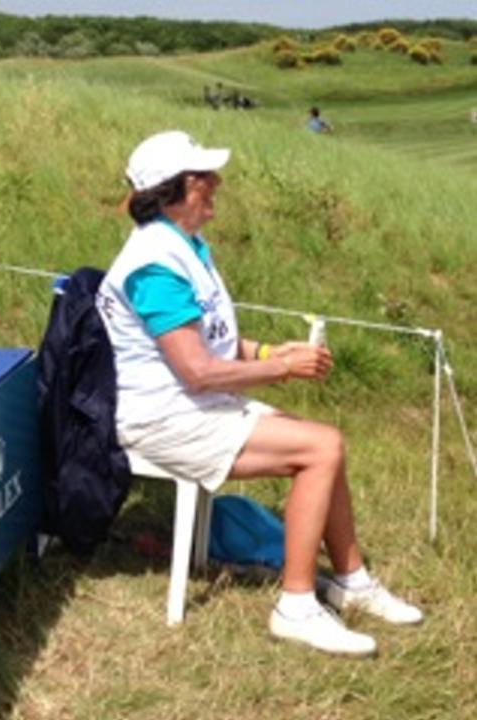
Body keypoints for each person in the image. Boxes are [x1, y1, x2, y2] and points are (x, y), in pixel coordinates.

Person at [96, 130, 423, 657]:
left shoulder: (184, 247)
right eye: (205, 176)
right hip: (161, 418)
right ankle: (295, 606)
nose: (217, 183)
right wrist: (282, 368)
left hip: (190, 405)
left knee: (322, 441)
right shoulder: (155, 265)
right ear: (177, 188)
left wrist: (270, 352)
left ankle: (352, 580)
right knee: (321, 447)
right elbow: (197, 370)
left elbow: (212, 341)